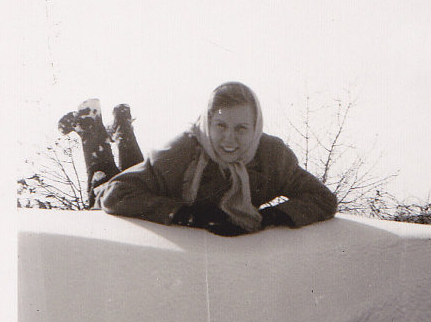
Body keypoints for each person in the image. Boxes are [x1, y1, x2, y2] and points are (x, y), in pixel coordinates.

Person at [60, 82, 337, 236]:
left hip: (151, 180)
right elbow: (116, 193)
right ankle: (90, 132)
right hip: (130, 188)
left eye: (241, 128)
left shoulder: (271, 157)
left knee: (138, 170)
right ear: (207, 124)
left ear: (256, 128)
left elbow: (322, 198)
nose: (229, 139)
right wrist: (185, 215)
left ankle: (123, 126)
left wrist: (272, 217)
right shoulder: (183, 152)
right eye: (220, 126)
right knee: (100, 185)